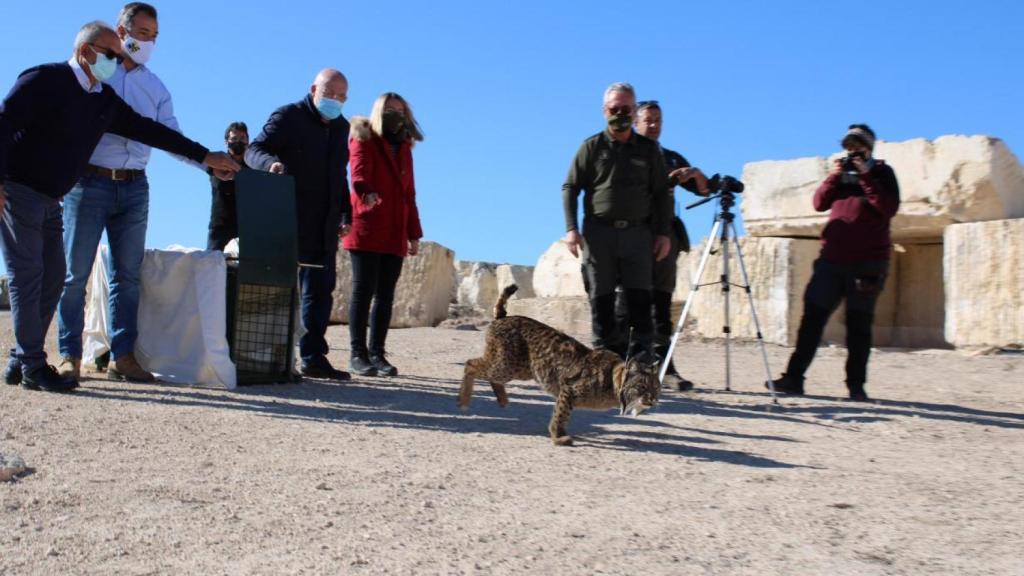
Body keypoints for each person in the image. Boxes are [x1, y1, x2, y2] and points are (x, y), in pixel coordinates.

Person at [0, 21, 239, 392]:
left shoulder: (102, 100)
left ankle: (20, 357)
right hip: (19, 190)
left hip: (51, 198)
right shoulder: (44, 79)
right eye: (111, 54)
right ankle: (33, 364)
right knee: (29, 274)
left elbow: (151, 130)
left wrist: (205, 156)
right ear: (86, 52)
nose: (116, 60)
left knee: (52, 276)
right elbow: (4, 120)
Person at [56, 3, 222, 384]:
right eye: (143, 33)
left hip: (135, 187)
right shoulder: (96, 76)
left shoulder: (156, 87)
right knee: (74, 274)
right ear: (122, 30)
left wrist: (208, 164)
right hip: (89, 183)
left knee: (127, 276)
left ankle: (123, 356)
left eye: (154, 36)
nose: (148, 42)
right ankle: (69, 354)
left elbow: (170, 137)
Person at [770, 124, 900, 401]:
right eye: (848, 146)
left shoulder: (883, 173)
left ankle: (856, 387)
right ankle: (793, 379)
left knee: (858, 326)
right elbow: (818, 203)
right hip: (831, 261)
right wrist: (833, 177)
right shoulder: (839, 177)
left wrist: (866, 177)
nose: (852, 152)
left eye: (857, 146)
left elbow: (887, 208)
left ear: (869, 148)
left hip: (868, 264)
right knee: (812, 320)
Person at [246, 69, 353, 381]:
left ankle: (313, 356)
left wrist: (346, 213)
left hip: (324, 222)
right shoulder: (288, 116)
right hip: (287, 215)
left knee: (321, 291)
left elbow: (339, 175)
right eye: (330, 93)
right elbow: (255, 150)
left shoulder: (341, 127)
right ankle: (270, 358)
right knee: (278, 287)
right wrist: (272, 165)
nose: (335, 101)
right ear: (313, 89)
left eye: (341, 97)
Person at [562, 82, 672, 359]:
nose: (620, 113)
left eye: (625, 108)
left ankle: (642, 365)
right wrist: (571, 229)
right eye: (614, 108)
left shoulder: (648, 150)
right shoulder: (591, 147)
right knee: (602, 301)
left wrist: (663, 234)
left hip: (638, 236)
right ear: (604, 111)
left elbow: (661, 194)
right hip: (600, 235)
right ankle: (606, 365)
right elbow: (570, 188)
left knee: (639, 301)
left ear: (634, 111)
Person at [617, 100, 709, 390]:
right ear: (635, 122)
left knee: (661, 303)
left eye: (658, 120)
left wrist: (694, 174)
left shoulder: (670, 157)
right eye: (649, 120)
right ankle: (617, 366)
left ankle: (664, 367)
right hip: (633, 237)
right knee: (626, 305)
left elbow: (705, 190)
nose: (654, 125)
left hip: (664, 240)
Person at [343, 93, 424, 377]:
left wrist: (413, 233)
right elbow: (358, 173)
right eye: (389, 110)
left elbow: (410, 193)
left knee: (386, 295)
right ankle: (357, 354)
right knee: (363, 290)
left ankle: (377, 353)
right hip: (368, 223)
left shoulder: (404, 146)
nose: (395, 115)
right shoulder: (363, 137)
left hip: (395, 229)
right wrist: (365, 193)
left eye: (400, 111)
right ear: (378, 111)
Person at [207, 121, 249, 251]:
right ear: (227, 142)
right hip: (221, 225)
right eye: (234, 138)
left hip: (247, 225)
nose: (239, 142)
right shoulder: (218, 163)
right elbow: (221, 182)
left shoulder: (253, 165)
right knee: (214, 265)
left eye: (242, 138)